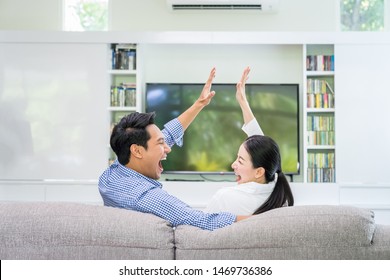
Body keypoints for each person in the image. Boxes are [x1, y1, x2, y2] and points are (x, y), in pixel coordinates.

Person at [99, 67, 250, 231]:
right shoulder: (144, 197)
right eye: (160, 143)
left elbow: (168, 134)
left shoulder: (111, 174)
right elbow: (203, 221)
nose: (168, 148)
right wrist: (264, 220)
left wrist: (199, 104)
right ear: (137, 151)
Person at [205, 67, 294, 215]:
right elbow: (264, 150)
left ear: (259, 171)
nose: (233, 164)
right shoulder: (278, 195)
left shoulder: (224, 198)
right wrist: (243, 101)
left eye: (240, 161)